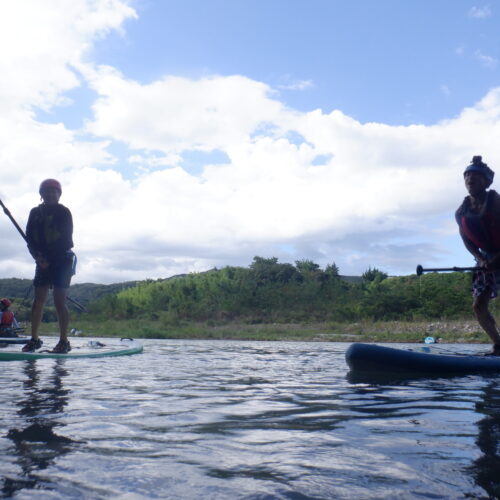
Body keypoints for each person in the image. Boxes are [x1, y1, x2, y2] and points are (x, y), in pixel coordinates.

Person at [23, 179, 76, 353]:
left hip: (62, 260)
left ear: (59, 194)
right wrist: (38, 257)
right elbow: (30, 238)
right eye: (46, 191)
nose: (50, 194)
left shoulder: (64, 212)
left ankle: (63, 341)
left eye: (54, 192)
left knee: (59, 301)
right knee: (38, 301)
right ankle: (34, 339)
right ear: (41, 194)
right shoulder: (34, 212)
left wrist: (49, 260)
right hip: (42, 259)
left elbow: (66, 239)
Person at [456, 156, 500, 356]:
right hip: (485, 259)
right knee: (478, 305)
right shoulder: (461, 212)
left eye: (475, 176)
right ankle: (498, 345)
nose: (470, 179)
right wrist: (482, 260)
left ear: (486, 181)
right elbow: (467, 241)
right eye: (467, 176)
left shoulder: (496, 203)